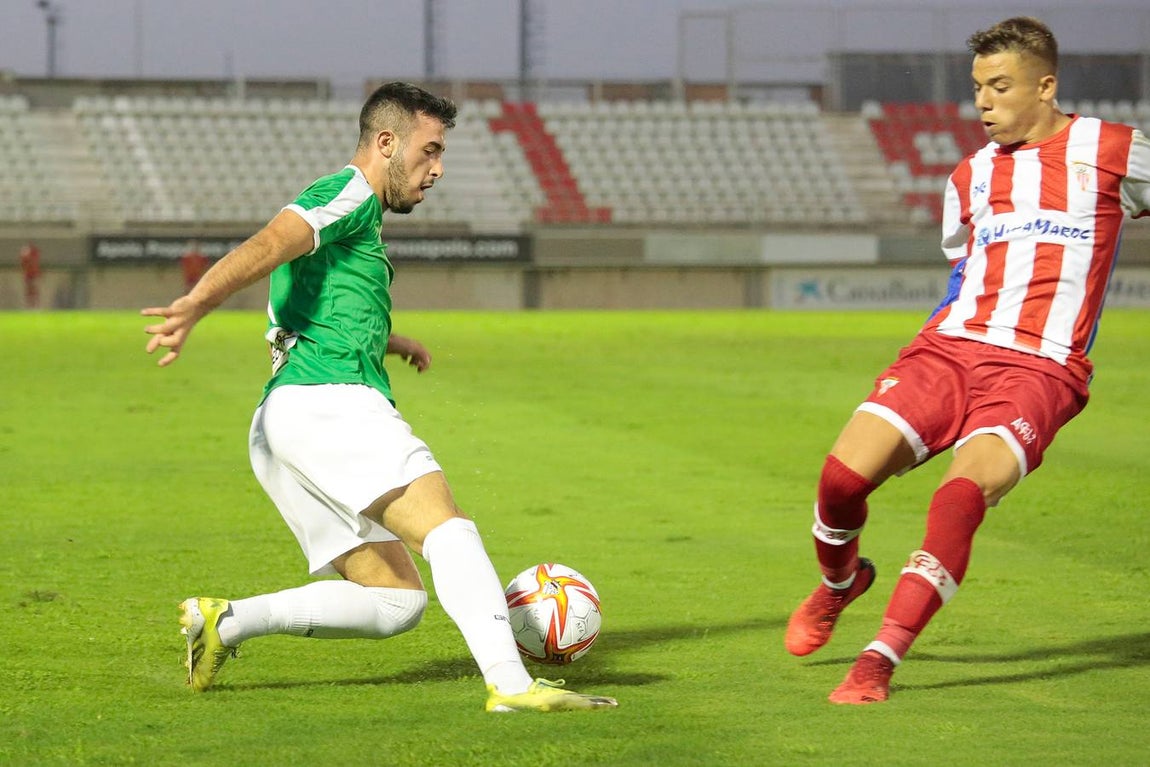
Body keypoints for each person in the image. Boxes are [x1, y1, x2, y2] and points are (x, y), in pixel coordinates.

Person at [141, 82, 616, 713]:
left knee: (396, 602)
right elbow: (268, 244)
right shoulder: (348, 192)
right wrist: (196, 302)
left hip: (284, 421)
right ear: (386, 142)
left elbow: (312, 303)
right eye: (430, 150)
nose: (438, 169)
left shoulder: (355, 217)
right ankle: (510, 682)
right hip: (328, 403)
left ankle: (225, 623)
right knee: (447, 530)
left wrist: (391, 340)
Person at [784, 16, 1150, 704]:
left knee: (958, 498)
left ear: (1046, 86)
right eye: (978, 87)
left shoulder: (1114, 149)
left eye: (1000, 86)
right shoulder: (970, 176)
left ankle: (878, 659)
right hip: (948, 352)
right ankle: (841, 583)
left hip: (1038, 369)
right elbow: (965, 270)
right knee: (838, 482)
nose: (983, 102)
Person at [19, 241, 40, 309]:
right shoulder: (25, 254)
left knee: (34, 288)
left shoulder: (34, 254)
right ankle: (29, 304)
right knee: (29, 288)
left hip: (33, 274)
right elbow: (23, 263)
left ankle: (35, 304)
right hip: (28, 275)